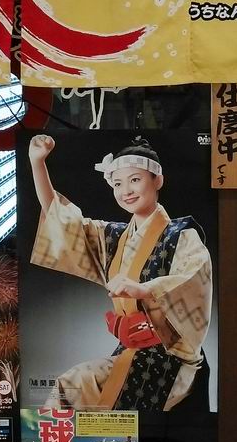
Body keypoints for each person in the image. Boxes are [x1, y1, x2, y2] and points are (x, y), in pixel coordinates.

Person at [29, 134, 212, 412]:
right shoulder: (115, 237)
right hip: (131, 348)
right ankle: (57, 438)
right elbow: (61, 220)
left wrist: (145, 289)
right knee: (75, 385)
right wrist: (37, 163)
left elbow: (193, 277)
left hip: (171, 353)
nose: (126, 190)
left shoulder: (182, 234)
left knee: (79, 382)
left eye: (135, 180)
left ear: (158, 180)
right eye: (117, 183)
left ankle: (59, 437)